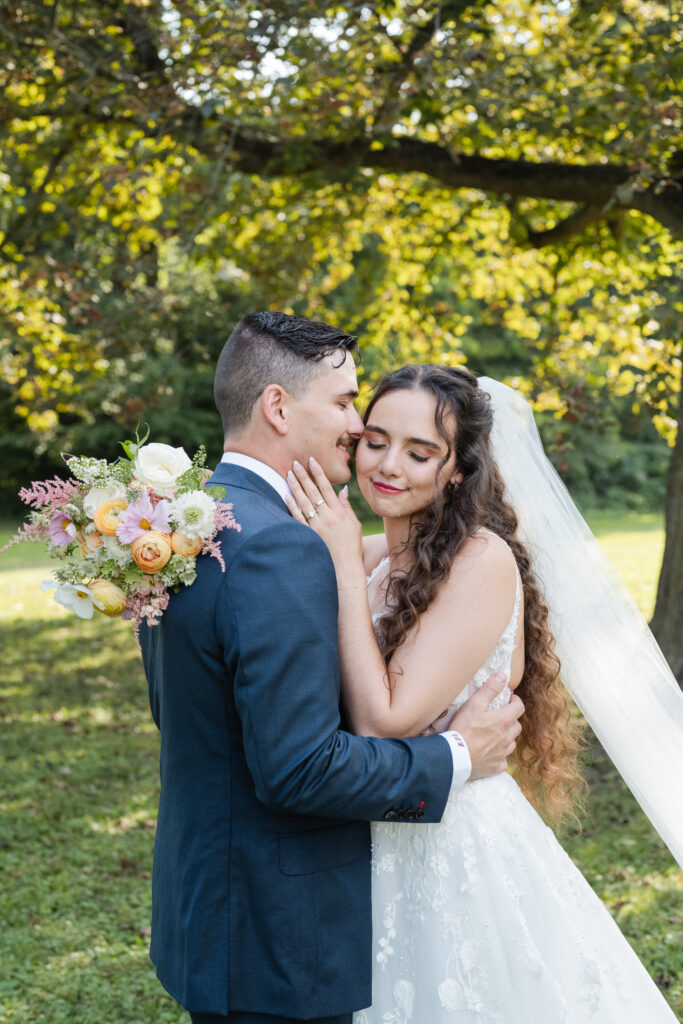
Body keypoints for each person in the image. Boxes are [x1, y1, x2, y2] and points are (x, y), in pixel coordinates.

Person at [139, 315, 525, 1024]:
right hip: (276, 926)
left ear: (456, 469)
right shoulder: (278, 546)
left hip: (235, 903)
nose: (360, 436)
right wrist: (460, 754)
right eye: (353, 411)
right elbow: (298, 768)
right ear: (279, 407)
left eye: (417, 450)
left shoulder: (189, 522)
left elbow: (186, 709)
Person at [286, 363, 682, 1023]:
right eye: (376, 439)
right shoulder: (373, 562)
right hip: (375, 833)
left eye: (420, 453)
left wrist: (339, 564)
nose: (387, 464)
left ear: (458, 471)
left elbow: (383, 719)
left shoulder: (479, 561)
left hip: (452, 844)